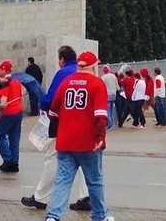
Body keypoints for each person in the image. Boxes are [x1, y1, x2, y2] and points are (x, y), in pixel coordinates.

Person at [45, 50, 113, 221]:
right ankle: (100, 215)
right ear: (93, 66)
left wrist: (56, 132)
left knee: (62, 181)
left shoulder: (66, 82)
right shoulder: (97, 84)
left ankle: (53, 216)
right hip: (88, 141)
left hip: (66, 140)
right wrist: (101, 137)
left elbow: (53, 111)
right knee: (94, 181)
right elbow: (100, 115)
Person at [20, 45, 90, 212]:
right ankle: (86, 196)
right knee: (82, 159)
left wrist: (43, 103)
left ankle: (40, 197)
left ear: (61, 59)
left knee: (52, 158)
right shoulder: (84, 73)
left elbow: (51, 98)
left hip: (64, 122)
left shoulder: (63, 73)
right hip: (83, 122)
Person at [0, 60, 23, 172]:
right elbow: (21, 98)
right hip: (18, 112)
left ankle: (8, 160)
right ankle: (15, 162)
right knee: (14, 138)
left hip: (8, 113)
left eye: (0, 69)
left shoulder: (5, 82)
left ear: (4, 70)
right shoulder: (16, 81)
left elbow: (4, 102)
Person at [101, 66, 119, 130]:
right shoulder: (113, 76)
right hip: (114, 94)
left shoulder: (103, 77)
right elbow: (117, 87)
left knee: (108, 110)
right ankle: (113, 124)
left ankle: (110, 124)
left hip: (107, 94)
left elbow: (101, 86)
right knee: (112, 109)